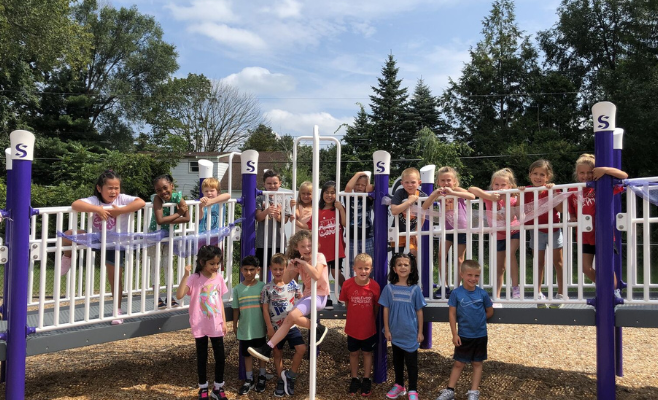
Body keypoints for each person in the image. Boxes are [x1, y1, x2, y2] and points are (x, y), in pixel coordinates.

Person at [62, 170, 146, 325]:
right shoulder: (95, 200)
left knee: (114, 277)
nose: (114, 191)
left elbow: (140, 202)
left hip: (114, 243)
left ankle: (117, 310)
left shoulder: (122, 199)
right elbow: (76, 204)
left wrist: (119, 210)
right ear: (100, 188)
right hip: (96, 238)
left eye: (116, 188)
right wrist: (98, 209)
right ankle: (67, 256)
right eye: (110, 188)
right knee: (67, 235)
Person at [248, 229, 329, 367]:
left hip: (319, 296)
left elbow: (316, 275)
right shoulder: (299, 261)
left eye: (309, 245)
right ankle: (267, 348)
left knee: (293, 315)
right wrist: (290, 268)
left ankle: (318, 328)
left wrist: (304, 264)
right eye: (303, 246)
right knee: (289, 319)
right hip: (308, 296)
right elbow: (285, 281)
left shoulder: (319, 257)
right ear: (296, 247)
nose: (307, 248)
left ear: (315, 245)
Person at [567, 154, 627, 293]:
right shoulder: (573, 190)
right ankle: (606, 289)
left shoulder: (602, 185)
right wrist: (572, 217)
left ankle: (613, 291)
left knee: (606, 267)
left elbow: (624, 176)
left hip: (603, 234)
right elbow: (572, 210)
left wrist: (605, 170)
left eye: (589, 172)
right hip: (584, 235)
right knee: (585, 268)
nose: (586, 176)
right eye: (582, 172)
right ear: (577, 173)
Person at [176, 245, 228, 400]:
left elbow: (220, 301)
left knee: (220, 357)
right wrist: (185, 275)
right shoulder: (194, 278)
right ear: (202, 262)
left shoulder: (218, 277)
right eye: (212, 263)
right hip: (200, 324)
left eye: (217, 263)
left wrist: (224, 322)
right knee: (202, 357)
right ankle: (203, 388)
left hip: (216, 324)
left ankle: (218, 387)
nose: (216, 267)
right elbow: (179, 295)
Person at [436, 260, 494, 400]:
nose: (473, 278)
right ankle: (450, 390)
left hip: (480, 335)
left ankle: (474, 392)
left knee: (477, 363)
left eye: (477, 275)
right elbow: (452, 314)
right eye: (470, 275)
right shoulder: (456, 293)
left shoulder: (483, 294)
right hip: (463, 335)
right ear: (462, 274)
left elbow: (490, 311)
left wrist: (478, 319)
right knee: (458, 363)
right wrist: (454, 334)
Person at [422, 167, 475, 298]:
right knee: (441, 255)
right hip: (447, 229)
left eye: (448, 180)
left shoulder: (456, 190)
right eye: (442, 180)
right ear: (438, 182)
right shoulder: (440, 193)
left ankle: (457, 287)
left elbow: (472, 195)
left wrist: (453, 192)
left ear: (454, 181)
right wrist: (434, 194)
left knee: (459, 258)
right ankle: (444, 286)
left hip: (462, 228)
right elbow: (425, 206)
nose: (446, 183)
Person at [379, 253, 426, 400]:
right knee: (397, 361)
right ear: (394, 268)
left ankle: (413, 389)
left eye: (406, 265)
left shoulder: (415, 290)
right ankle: (399, 385)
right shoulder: (389, 289)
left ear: (411, 269)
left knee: (412, 364)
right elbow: (385, 309)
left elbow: (419, 311)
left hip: (411, 333)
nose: (403, 267)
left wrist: (420, 332)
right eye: (399, 265)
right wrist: (386, 329)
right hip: (395, 332)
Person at [468, 168, 521, 299]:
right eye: (496, 184)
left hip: (513, 231)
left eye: (503, 185)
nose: (499, 187)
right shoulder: (490, 197)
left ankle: (515, 288)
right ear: (492, 185)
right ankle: (496, 296)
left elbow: (514, 216)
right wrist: (488, 196)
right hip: (498, 235)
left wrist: (509, 197)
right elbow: (471, 189)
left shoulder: (513, 198)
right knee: (499, 267)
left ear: (510, 186)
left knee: (510, 254)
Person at [519, 160, 565, 307]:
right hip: (536, 230)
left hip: (553, 229)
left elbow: (561, 209)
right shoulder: (527, 191)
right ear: (530, 175)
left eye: (542, 174)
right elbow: (520, 209)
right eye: (535, 174)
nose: (538, 177)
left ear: (548, 177)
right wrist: (520, 193)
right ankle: (538, 293)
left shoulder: (551, 189)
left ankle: (561, 293)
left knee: (558, 262)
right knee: (539, 262)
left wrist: (553, 193)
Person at [261, 253, 307, 397]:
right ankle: (281, 379)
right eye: (275, 269)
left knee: (301, 348)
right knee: (277, 353)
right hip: (276, 328)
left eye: (281, 269)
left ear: (286, 268)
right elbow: (265, 309)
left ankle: (290, 376)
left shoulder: (293, 285)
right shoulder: (267, 288)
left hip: (291, 326)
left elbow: (303, 301)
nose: (278, 272)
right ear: (270, 269)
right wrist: (269, 327)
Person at [339, 253, 380, 397]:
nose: (363, 271)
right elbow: (347, 303)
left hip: (369, 329)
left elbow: (376, 307)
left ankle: (366, 379)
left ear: (371, 269)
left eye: (366, 268)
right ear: (354, 269)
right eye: (360, 268)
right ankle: (354, 378)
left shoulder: (374, 286)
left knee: (368, 353)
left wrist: (371, 320)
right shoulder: (347, 284)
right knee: (353, 353)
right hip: (353, 328)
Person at [149, 174, 190, 309]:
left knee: (168, 265)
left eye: (165, 188)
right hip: (155, 235)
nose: (163, 192)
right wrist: (178, 213)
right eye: (159, 190)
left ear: (172, 186)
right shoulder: (157, 199)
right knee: (156, 265)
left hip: (170, 236)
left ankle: (169, 296)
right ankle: (157, 298)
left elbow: (187, 218)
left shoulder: (177, 197)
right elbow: (160, 220)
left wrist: (177, 216)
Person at [232, 256, 267, 395]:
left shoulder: (262, 287)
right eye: (245, 269)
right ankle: (249, 379)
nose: (249, 273)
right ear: (241, 270)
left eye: (252, 269)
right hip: (245, 329)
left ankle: (262, 376)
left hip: (260, 328)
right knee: (247, 355)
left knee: (261, 354)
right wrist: (235, 325)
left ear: (258, 270)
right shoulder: (237, 289)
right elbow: (236, 309)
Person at [307, 180, 346, 308]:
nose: (329, 195)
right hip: (321, 249)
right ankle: (326, 297)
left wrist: (340, 209)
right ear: (322, 194)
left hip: (335, 247)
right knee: (324, 274)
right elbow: (310, 227)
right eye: (326, 192)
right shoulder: (318, 210)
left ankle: (345, 293)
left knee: (336, 273)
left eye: (332, 192)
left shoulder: (338, 209)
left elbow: (345, 223)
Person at [256, 170, 291, 274]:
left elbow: (285, 220)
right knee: (263, 268)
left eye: (275, 183)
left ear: (280, 183)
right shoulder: (260, 197)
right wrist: (267, 211)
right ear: (264, 184)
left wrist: (278, 215)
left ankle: (279, 287)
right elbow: (258, 217)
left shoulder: (284, 198)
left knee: (280, 267)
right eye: (269, 183)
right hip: (263, 240)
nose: (272, 185)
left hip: (279, 240)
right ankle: (264, 288)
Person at [390, 168, 427, 257]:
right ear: (402, 183)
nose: (410, 185)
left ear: (419, 182)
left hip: (412, 231)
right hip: (398, 231)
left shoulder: (422, 196)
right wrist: (409, 202)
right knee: (397, 257)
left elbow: (423, 216)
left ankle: (413, 271)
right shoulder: (400, 193)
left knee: (413, 254)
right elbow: (394, 210)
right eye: (406, 182)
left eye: (413, 182)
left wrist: (417, 232)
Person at [344, 172, 375, 273]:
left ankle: (368, 284)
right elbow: (348, 187)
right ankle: (353, 283)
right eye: (357, 184)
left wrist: (367, 178)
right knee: (352, 263)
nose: (360, 187)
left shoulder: (368, 197)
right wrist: (358, 174)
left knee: (368, 262)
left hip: (367, 236)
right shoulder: (350, 197)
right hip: (352, 236)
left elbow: (370, 188)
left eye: (362, 185)